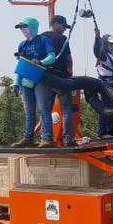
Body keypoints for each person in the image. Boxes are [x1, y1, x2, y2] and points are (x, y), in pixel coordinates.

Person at [11, 16, 56, 148]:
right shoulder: (22, 45)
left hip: (40, 78)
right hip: (25, 80)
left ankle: (47, 138)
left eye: (25, 27)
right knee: (29, 112)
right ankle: (28, 138)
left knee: (43, 109)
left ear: (32, 27)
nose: (23, 30)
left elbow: (52, 56)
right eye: (21, 28)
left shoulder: (43, 40)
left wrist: (41, 62)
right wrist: (16, 83)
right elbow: (21, 66)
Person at [40, 15, 77, 147]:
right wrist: (70, 72)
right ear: (55, 24)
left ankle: (45, 138)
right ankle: (68, 139)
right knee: (66, 109)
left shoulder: (40, 37)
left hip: (45, 78)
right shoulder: (62, 39)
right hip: (61, 78)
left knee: (45, 110)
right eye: (63, 26)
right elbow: (68, 58)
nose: (64, 29)